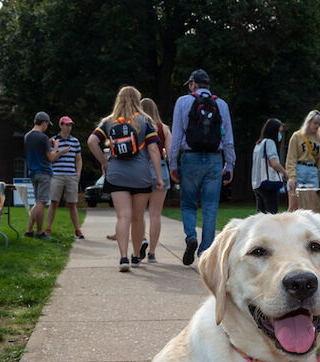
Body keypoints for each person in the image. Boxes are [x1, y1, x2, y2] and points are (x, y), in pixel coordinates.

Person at [88, 86, 164, 272]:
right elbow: (154, 149)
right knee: (137, 218)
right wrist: (159, 176)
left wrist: (104, 160)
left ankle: (123, 257)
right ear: (137, 100)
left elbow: (91, 141)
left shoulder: (109, 121)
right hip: (140, 175)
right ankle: (136, 256)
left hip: (116, 175)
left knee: (123, 216)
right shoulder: (145, 120)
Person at [168, 69, 235, 266]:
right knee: (210, 207)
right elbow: (228, 138)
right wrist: (229, 164)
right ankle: (205, 251)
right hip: (214, 160)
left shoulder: (182, 102)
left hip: (190, 159)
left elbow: (177, 136)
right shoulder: (221, 104)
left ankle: (190, 237)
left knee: (188, 204)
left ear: (192, 85)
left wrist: (173, 163)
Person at [140, 97, 170, 263]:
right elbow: (170, 153)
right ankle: (152, 252)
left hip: (141, 169)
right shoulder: (164, 128)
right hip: (161, 168)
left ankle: (141, 242)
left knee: (138, 213)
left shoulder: (138, 126)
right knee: (155, 214)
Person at [45, 116, 85, 239]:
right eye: (66, 125)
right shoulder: (53, 141)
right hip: (57, 175)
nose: (68, 128)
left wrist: (78, 173)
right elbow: (50, 159)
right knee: (54, 203)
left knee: (72, 204)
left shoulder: (75, 141)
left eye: (70, 125)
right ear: (61, 125)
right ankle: (48, 229)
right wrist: (60, 152)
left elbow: (78, 159)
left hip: (71, 175)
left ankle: (77, 230)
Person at [23, 111, 60, 239]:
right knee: (41, 202)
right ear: (44, 123)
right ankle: (39, 232)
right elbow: (51, 158)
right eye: (47, 124)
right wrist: (56, 147)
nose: (47, 127)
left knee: (37, 202)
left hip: (33, 172)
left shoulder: (27, 136)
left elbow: (38, 149)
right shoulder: (43, 137)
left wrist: (47, 144)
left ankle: (29, 230)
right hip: (44, 172)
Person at [286, 110, 320, 213]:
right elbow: (291, 158)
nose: (317, 126)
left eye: (319, 124)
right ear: (309, 122)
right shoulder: (297, 136)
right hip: (299, 169)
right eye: (315, 123)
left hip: (313, 171)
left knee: (313, 207)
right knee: (294, 206)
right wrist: (292, 177)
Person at [251, 118, 288, 214]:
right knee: (272, 214)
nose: (280, 135)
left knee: (261, 215)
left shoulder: (258, 144)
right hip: (268, 184)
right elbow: (273, 162)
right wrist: (284, 172)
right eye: (279, 132)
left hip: (257, 184)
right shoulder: (270, 142)